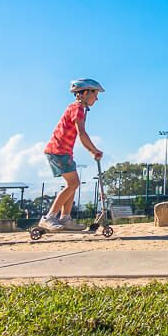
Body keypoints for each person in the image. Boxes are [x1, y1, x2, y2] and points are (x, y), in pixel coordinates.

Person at [40, 79, 105, 232]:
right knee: (73, 184)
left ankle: (65, 218)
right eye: (95, 94)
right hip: (58, 151)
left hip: (63, 151)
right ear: (86, 92)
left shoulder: (77, 108)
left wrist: (91, 152)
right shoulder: (77, 109)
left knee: (74, 184)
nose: (97, 98)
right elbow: (82, 133)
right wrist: (95, 150)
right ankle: (49, 217)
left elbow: (80, 136)